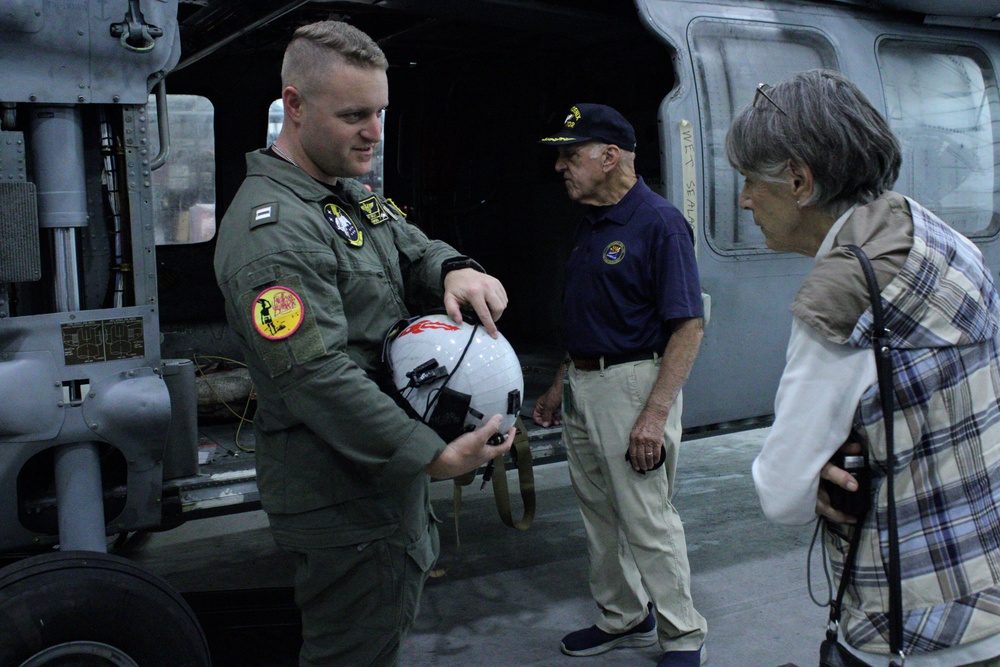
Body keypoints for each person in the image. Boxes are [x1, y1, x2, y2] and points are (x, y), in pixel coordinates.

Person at [213, 21, 513, 666]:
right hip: (341, 495)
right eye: (354, 115)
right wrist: (431, 456)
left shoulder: (343, 196)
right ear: (294, 106)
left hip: (372, 482)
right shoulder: (277, 232)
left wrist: (454, 266)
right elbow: (313, 373)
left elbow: (410, 245)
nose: (374, 132)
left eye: (379, 111)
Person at [730, 69, 1000, 665]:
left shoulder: (841, 296)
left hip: (914, 624)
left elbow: (780, 495)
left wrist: (817, 473)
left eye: (750, 180)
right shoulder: (942, 237)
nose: (745, 199)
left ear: (799, 181)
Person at [533, 103, 708, 667]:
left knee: (647, 518)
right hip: (585, 385)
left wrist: (654, 415)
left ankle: (683, 635)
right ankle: (625, 616)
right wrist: (562, 382)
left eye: (570, 154)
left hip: (634, 386)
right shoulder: (593, 222)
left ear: (609, 157)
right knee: (599, 517)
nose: (561, 165)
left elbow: (688, 326)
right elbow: (593, 314)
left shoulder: (658, 223)